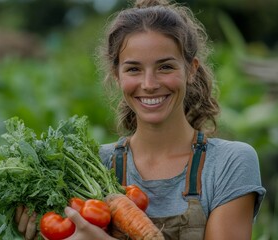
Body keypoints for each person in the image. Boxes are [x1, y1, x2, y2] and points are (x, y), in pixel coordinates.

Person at [14, 0, 266, 239]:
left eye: (165, 67)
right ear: (117, 75)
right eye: (133, 69)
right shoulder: (93, 168)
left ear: (191, 69)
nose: (149, 84)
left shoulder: (228, 163)